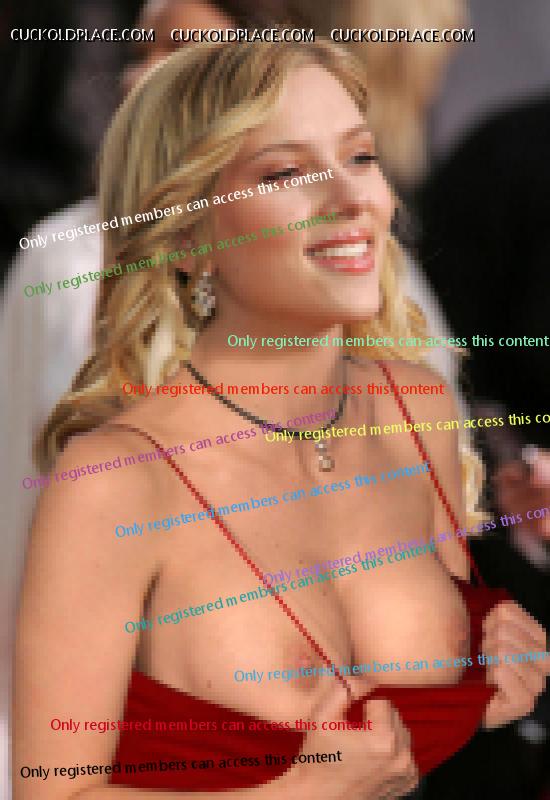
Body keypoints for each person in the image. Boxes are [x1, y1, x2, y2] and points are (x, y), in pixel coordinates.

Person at [13, 39, 549, 800]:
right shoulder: (114, 482)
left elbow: (435, 706)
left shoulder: (416, 408)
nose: (351, 199)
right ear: (188, 236)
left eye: (360, 157)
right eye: (284, 173)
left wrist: (495, 675)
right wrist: (295, 792)